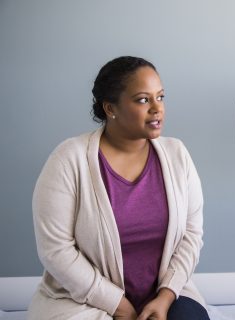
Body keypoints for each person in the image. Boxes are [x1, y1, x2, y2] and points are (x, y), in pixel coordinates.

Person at [28, 56, 210, 320]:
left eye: (160, 97)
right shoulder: (68, 159)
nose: (157, 108)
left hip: (162, 295)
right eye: (143, 100)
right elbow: (56, 250)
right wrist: (119, 306)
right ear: (110, 108)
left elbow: (191, 235)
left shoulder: (177, 154)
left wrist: (166, 295)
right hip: (85, 300)